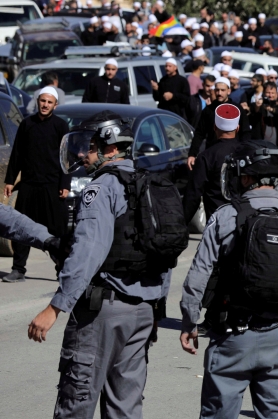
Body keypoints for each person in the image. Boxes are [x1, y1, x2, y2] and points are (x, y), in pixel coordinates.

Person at [28, 111, 176, 417]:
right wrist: (156, 304)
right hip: (143, 312)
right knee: (125, 408)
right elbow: (165, 252)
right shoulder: (149, 185)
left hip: (101, 313)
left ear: (110, 148)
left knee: (75, 404)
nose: (83, 153)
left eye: (90, 146)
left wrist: (56, 307)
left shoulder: (101, 188)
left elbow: (87, 251)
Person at [179, 140, 278, 419]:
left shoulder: (225, 216)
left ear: (246, 177)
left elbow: (196, 279)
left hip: (231, 337)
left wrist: (189, 322)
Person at [2, 87, 69, 283]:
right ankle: (18, 269)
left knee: (57, 230)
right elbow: (17, 155)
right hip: (29, 185)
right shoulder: (26, 124)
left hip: (52, 186)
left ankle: (63, 269)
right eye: (42, 101)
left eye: (49, 102)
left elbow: (66, 157)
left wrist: (65, 183)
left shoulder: (61, 126)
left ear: (55, 105)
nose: (45, 105)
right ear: (38, 101)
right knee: (22, 227)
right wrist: (9, 180)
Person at [183, 103, 244, 227]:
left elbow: (193, 195)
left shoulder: (206, 156)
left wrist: (181, 224)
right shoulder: (247, 153)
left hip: (217, 225)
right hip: (244, 223)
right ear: (237, 128)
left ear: (215, 127)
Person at [187, 77, 250, 170]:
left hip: (233, 154)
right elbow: (199, 133)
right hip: (212, 154)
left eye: (222, 90)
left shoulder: (237, 109)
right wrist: (192, 154)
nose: (219, 93)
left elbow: (245, 132)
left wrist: (243, 152)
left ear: (229, 91)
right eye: (217, 90)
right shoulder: (208, 110)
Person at [249, 82, 278, 149]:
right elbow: (252, 118)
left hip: (276, 144)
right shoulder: (257, 105)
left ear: (276, 94)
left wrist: (271, 109)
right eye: (268, 93)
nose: (270, 95)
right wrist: (257, 107)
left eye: (273, 93)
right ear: (264, 93)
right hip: (259, 144)